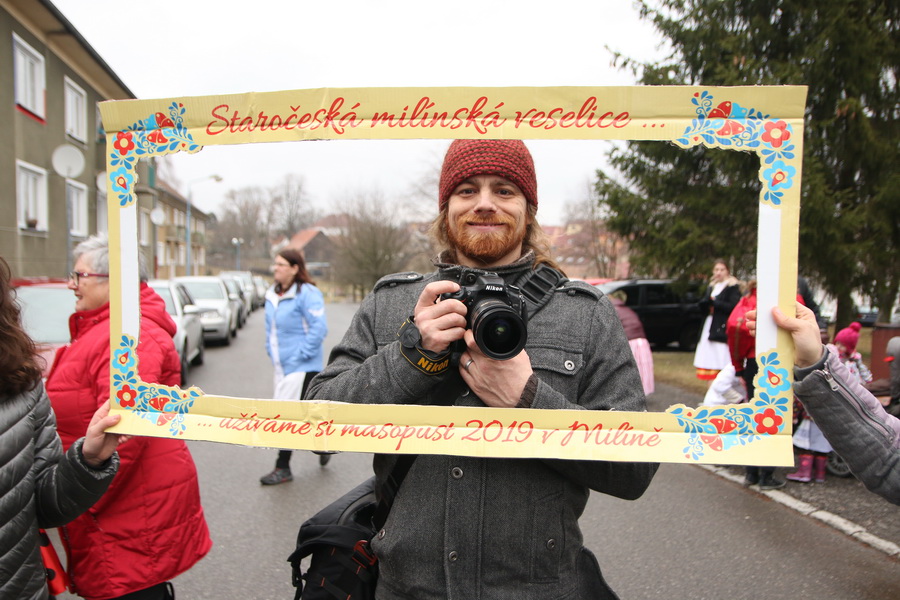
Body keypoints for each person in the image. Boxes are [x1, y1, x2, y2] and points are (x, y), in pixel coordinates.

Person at [307, 139, 658, 599]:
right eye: (467, 190)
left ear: (528, 211)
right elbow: (316, 425)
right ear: (446, 209)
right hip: (408, 589)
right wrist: (410, 356)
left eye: (505, 190)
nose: (485, 203)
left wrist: (529, 401)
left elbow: (634, 468)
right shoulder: (392, 302)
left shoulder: (584, 313)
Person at [46, 236, 212, 600]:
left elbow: (124, 436)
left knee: (131, 589)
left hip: (124, 511)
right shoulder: (106, 331)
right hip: (118, 506)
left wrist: (71, 496)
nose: (71, 284)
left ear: (115, 280)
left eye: (79, 275)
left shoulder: (129, 338)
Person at [1, 256, 124, 600]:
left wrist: (88, 460)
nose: (72, 283)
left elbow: (42, 502)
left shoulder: (20, 384)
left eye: (80, 275)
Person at [747, 302, 899, 505]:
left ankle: (809, 473)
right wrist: (813, 363)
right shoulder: (847, 358)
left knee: (812, 445)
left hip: (817, 413)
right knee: (813, 445)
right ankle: (809, 473)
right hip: (823, 409)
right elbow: (889, 458)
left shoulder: (853, 361)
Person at [259, 248, 329, 485]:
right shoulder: (272, 294)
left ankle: (283, 467)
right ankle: (324, 446)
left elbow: (319, 328)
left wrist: (300, 356)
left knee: (285, 416)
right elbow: (270, 329)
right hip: (282, 367)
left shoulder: (307, 293)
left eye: (281, 264)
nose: (276, 268)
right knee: (308, 415)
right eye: (275, 264)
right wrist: (271, 352)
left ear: (294, 268)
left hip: (302, 367)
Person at [787, 321, 871, 484]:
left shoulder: (837, 359)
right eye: (838, 342)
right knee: (821, 442)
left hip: (818, 407)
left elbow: (865, 379)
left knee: (809, 443)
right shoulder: (845, 360)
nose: (839, 347)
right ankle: (819, 474)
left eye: (843, 345)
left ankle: (806, 472)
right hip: (833, 409)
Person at [725, 280, 784, 490]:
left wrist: (738, 366)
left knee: (754, 414)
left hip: (753, 362)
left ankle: (751, 472)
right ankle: (767, 474)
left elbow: (734, 327)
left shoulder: (747, 301)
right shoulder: (787, 297)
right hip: (779, 362)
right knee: (776, 415)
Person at [693, 259, 742, 383]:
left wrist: (715, 302)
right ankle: (711, 386)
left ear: (727, 271)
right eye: (716, 270)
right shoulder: (712, 286)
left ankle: (722, 384)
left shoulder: (732, 287)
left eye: (722, 269)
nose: (719, 272)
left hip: (721, 326)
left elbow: (733, 306)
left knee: (720, 356)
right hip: (710, 324)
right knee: (708, 356)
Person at [608, 290, 655, 395]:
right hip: (642, 341)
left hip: (630, 342)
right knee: (642, 369)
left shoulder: (612, 310)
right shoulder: (627, 310)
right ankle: (641, 394)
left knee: (628, 370)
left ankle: (632, 395)